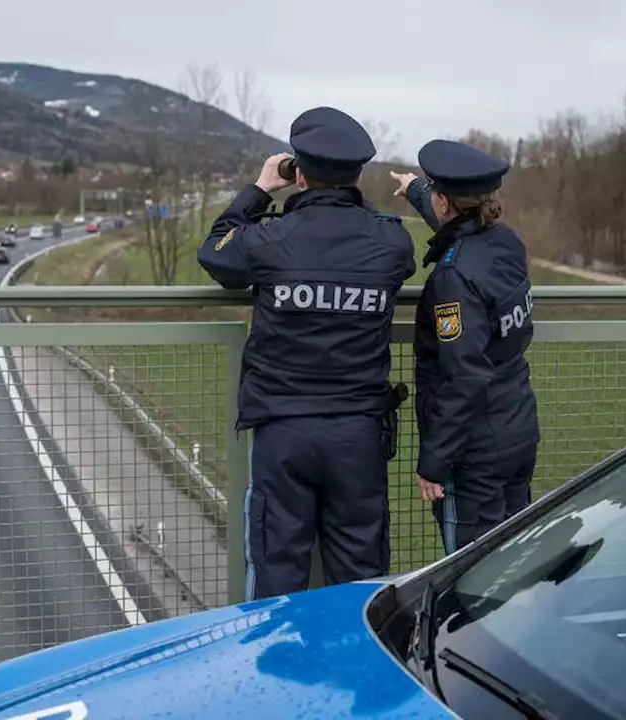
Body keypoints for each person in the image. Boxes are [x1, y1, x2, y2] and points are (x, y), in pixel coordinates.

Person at [198, 106, 416, 600]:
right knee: (362, 578)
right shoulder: (390, 242)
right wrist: (422, 193)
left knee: (277, 570)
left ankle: (277, 670)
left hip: (283, 430)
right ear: (359, 173)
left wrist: (258, 190)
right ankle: (356, 672)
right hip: (358, 435)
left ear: (298, 172)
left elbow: (215, 250)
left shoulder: (269, 239)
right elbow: (412, 248)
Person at [389, 140, 541, 555]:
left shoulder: (453, 279)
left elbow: (465, 375)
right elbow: (459, 228)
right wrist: (416, 188)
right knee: (513, 563)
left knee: (470, 574)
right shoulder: (505, 241)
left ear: (444, 202)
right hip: (517, 427)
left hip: (475, 453)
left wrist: (434, 462)